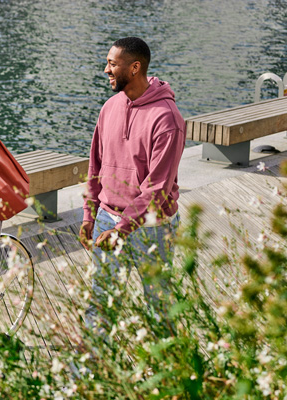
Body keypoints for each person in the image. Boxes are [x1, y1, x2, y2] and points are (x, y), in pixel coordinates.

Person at [78, 37, 186, 325]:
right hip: (106, 219)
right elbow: (95, 167)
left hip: (152, 228)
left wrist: (124, 228)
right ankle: (90, 370)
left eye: (112, 64)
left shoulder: (167, 119)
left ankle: (167, 365)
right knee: (100, 302)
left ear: (135, 67)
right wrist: (90, 214)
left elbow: (158, 187)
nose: (106, 70)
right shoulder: (110, 107)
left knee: (158, 305)